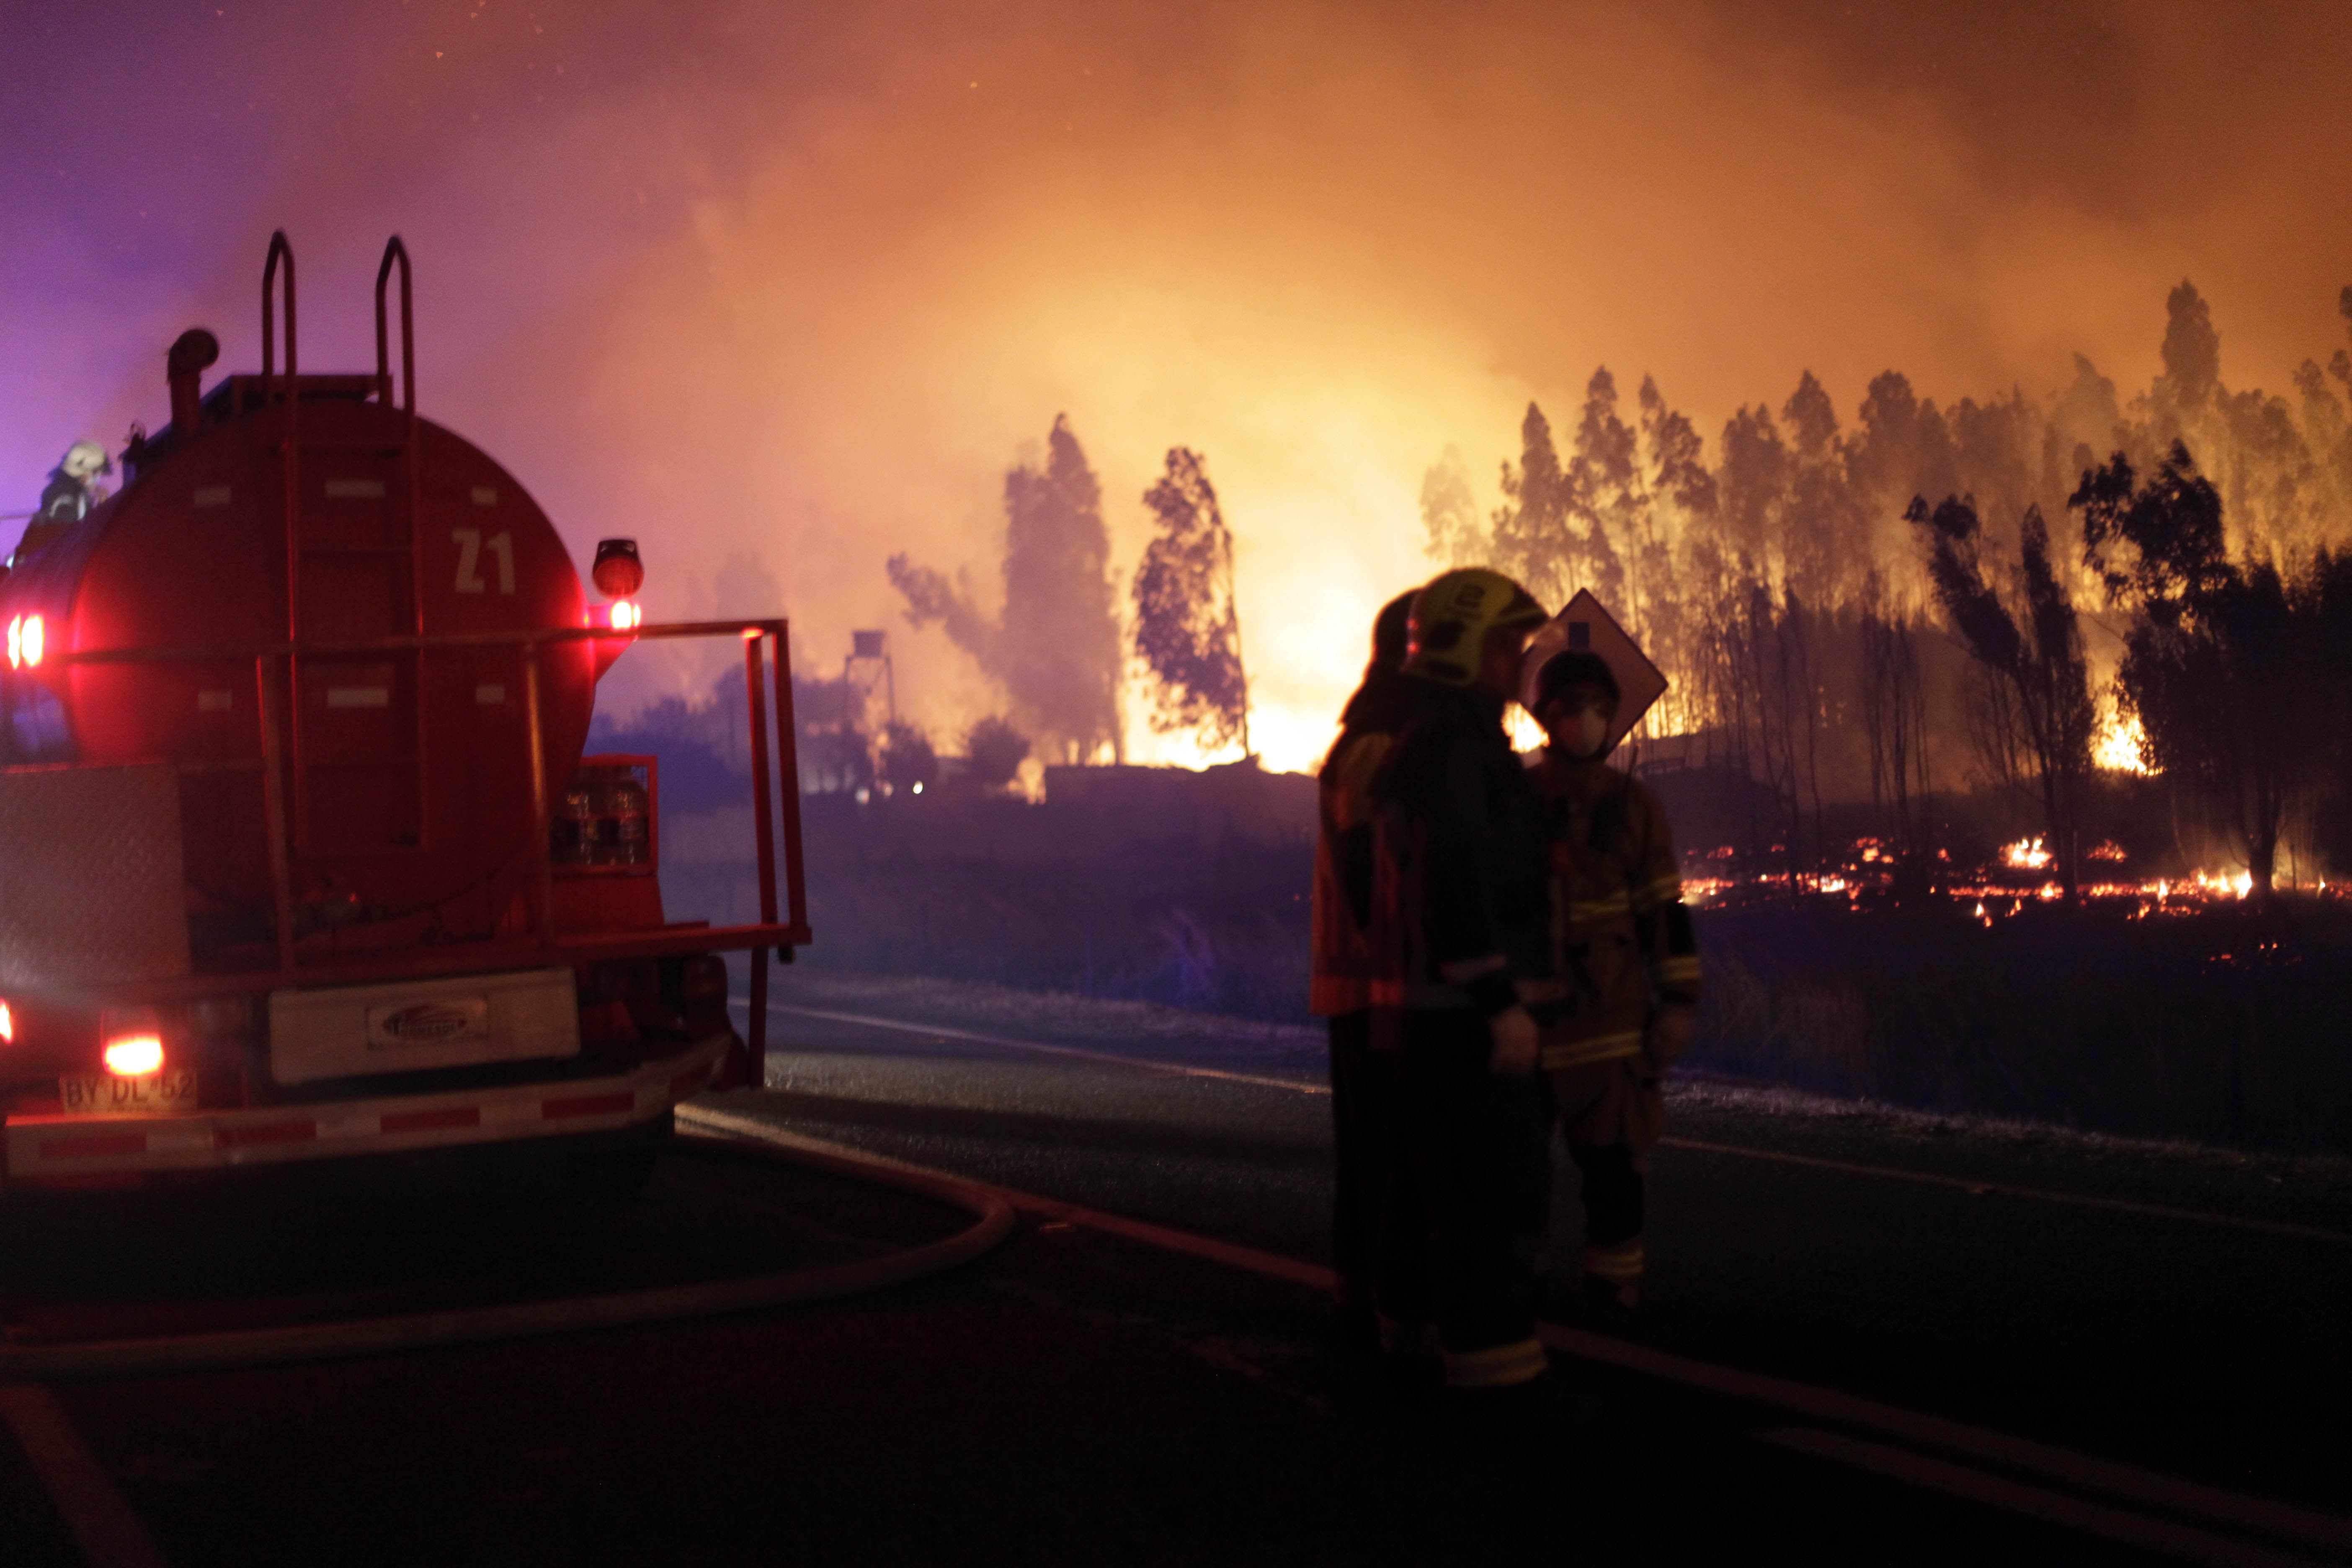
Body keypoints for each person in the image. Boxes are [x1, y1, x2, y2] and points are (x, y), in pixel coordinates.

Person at [1366, 567, 1557, 1403]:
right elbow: (1452, 884)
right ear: (1462, 653)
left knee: (1439, 1197)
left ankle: (1421, 1356)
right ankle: (1498, 1387)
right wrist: (1500, 1005)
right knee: (1488, 1202)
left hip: (1444, 1024)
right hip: (1466, 1027)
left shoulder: (1451, 746)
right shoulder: (1452, 753)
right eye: (1505, 647)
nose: (1518, 663)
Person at [1527, 649, 1703, 1314]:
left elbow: (1664, 909)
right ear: (1549, 718)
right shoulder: (1516, 802)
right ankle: (1523, 1281)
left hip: (1611, 1023)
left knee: (1614, 1169)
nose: (1589, 722)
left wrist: (1678, 1004)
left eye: (1600, 710)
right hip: (1530, 1029)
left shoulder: (1635, 806)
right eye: (1574, 709)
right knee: (1519, 1173)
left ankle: (1614, 1285)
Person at [1308, 590, 1419, 1356]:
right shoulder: (1382, 741)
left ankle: (1360, 1299)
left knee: (1368, 1154)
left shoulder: (1369, 729)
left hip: (1358, 987)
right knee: (1389, 1156)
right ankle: (1387, 1315)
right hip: (1378, 989)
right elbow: (1363, 864)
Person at [14, 439, 111, 567]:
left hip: (40, 569)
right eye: (97, 473)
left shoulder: (70, 494)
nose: (99, 478)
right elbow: (78, 536)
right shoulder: (67, 498)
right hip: (43, 571)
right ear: (86, 474)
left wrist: (102, 504)